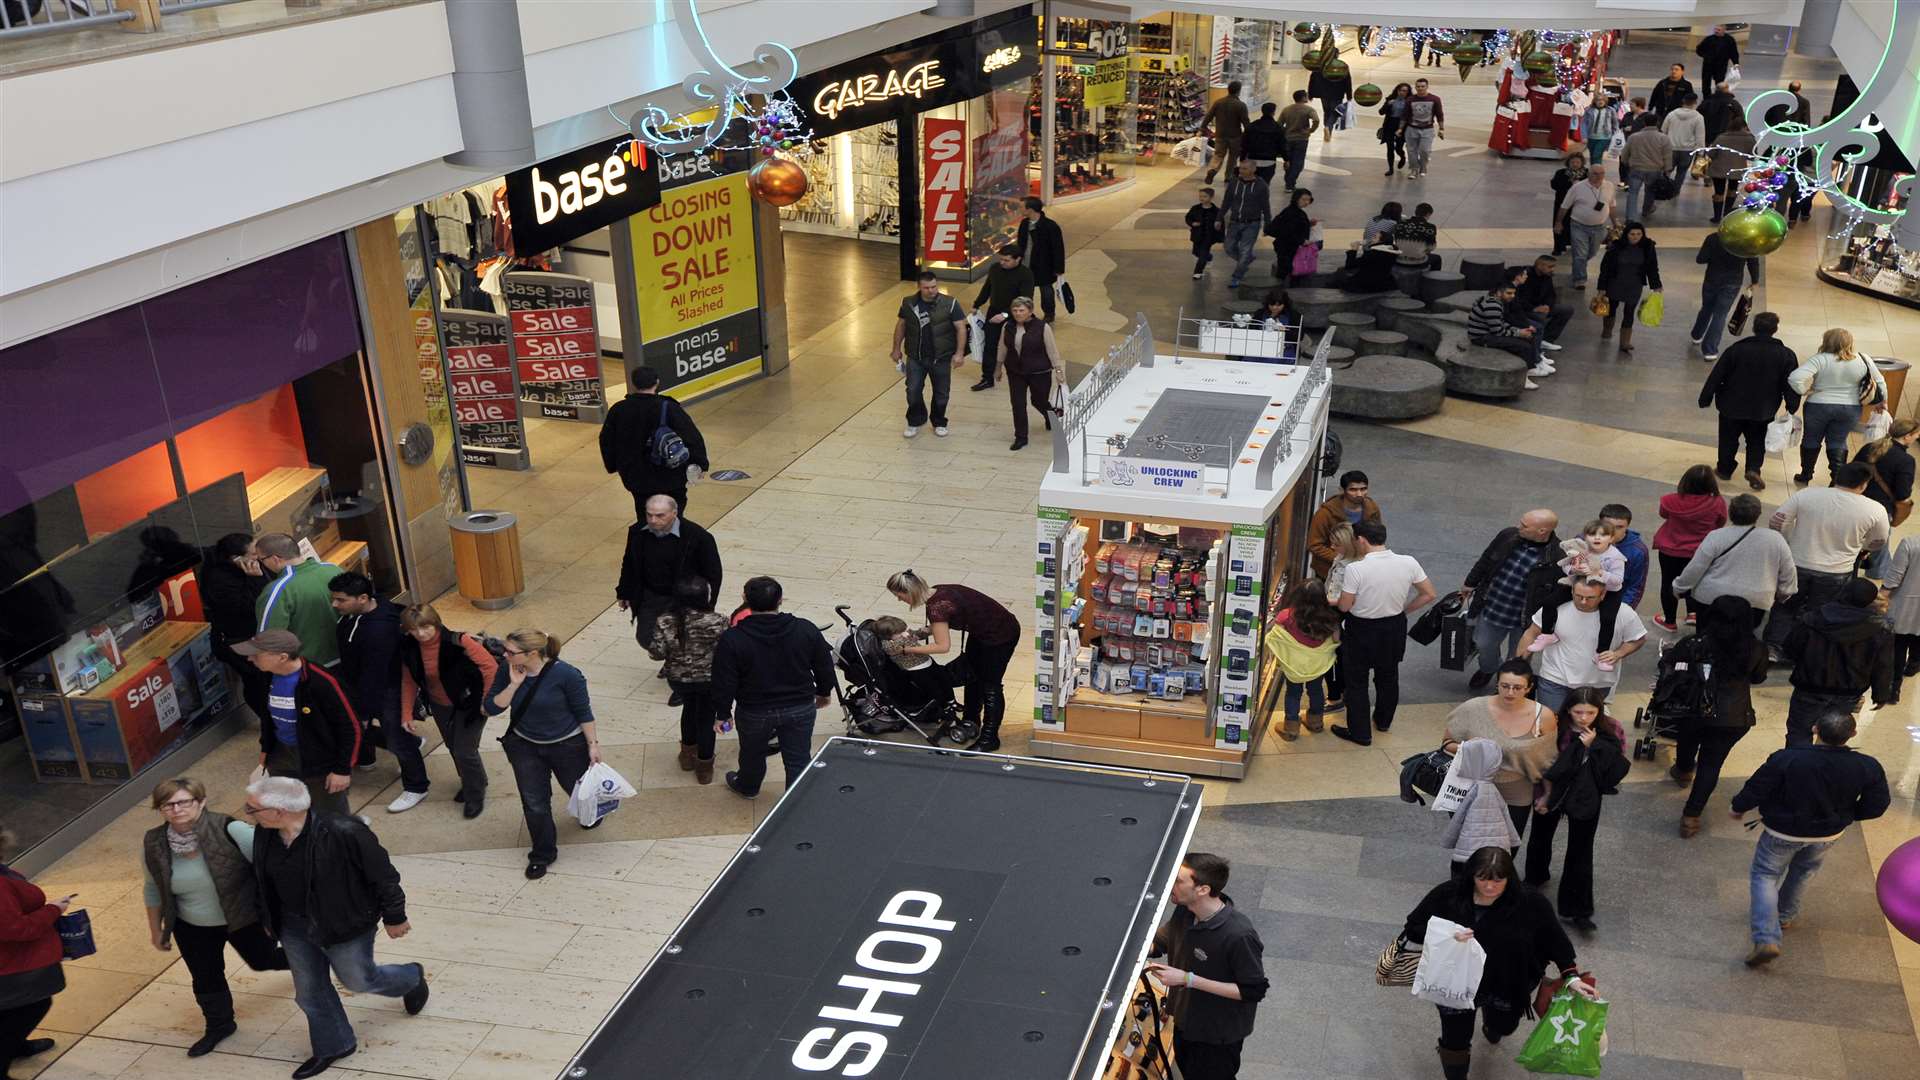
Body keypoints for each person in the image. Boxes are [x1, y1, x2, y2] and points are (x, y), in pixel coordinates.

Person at [239, 776, 427, 1078]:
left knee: (359, 981)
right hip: (292, 926)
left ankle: (411, 978)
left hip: (343, 924)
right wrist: (266, 918)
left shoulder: (345, 832)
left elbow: (384, 876)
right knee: (310, 992)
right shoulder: (266, 833)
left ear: (280, 811)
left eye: (253, 808)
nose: (248, 812)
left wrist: (395, 916)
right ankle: (334, 1045)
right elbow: (263, 879)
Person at [1402, 847, 1582, 1080]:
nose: (1489, 887)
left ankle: (1493, 1025)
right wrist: (1447, 934)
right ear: (1471, 876)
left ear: (1510, 878)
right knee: (1455, 1040)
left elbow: (1555, 940)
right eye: (1482, 879)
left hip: (1508, 983)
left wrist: (1572, 976)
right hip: (1456, 983)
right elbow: (1413, 928)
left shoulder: (1530, 903)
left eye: (1498, 881)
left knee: (1504, 1026)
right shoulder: (1448, 895)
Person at [142, 777, 288, 1057]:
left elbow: (274, 870)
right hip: (191, 924)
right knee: (205, 976)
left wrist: (276, 917)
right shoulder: (154, 842)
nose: (176, 809)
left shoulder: (232, 830)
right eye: (167, 804)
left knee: (263, 960)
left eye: (184, 801)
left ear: (201, 802)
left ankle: (313, 958)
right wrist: (155, 930)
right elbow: (152, 888)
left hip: (243, 917)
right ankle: (219, 1025)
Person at [1731, 710, 1889, 967]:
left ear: (1815, 729)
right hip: (1827, 834)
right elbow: (1877, 805)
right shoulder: (1867, 766)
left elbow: (1758, 787)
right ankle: (1785, 916)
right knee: (1803, 872)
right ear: (1852, 734)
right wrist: (1846, 815)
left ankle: (1766, 937)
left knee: (1765, 875)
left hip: (1782, 831)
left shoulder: (1788, 758)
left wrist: (1738, 807)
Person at [484, 629, 601, 879]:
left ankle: (588, 813)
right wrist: (514, 685)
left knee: (577, 789)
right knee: (534, 803)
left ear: (532, 654)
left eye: (511, 652)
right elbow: (491, 708)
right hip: (525, 745)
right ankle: (542, 854)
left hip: (567, 745)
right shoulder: (508, 670)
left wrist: (592, 744)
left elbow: (583, 711)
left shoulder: (567, 675)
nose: (505, 655)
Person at [1147, 853, 1268, 1079]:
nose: (1171, 884)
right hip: (1185, 1022)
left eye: (1178, 880)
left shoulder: (1239, 935)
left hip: (1216, 1037)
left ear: (1202, 889)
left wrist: (1187, 979)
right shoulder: (1185, 911)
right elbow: (1162, 941)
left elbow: (1253, 990)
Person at [712, 576, 836, 796]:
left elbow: (724, 680)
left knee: (752, 752)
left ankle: (748, 786)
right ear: (780, 600)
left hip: (754, 710)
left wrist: (723, 713)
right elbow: (824, 665)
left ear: (745, 599)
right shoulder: (805, 629)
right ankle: (794, 801)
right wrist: (824, 693)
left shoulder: (733, 638)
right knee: (798, 757)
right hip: (799, 706)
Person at [1522, 688, 1628, 933]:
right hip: (1551, 789)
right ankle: (1534, 879)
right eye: (1578, 711)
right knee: (1540, 838)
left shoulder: (1611, 729)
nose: (1583, 717)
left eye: (1590, 712)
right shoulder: (1554, 725)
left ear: (1599, 711)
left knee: (1581, 850)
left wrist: (1594, 747)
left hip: (1586, 794)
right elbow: (1542, 760)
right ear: (1568, 709)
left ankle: (1577, 909)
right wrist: (1545, 795)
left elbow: (1616, 766)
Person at [888, 569, 1022, 752]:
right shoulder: (939, 590)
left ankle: (990, 738)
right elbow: (957, 611)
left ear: (909, 592)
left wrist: (906, 649)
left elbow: (942, 647)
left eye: (899, 596)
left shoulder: (937, 607)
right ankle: (970, 720)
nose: (900, 600)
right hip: (988, 629)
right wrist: (927, 631)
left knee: (991, 685)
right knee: (974, 676)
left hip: (999, 637)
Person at [1331, 521, 1437, 745]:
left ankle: (1360, 733)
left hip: (1361, 629)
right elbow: (1429, 594)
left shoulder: (1356, 569)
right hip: (1393, 627)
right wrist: (1404, 610)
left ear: (1361, 540)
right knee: (1388, 676)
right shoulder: (1408, 562)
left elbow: (1344, 607)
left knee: (1357, 682)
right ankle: (1383, 721)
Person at [1765, 463, 1889, 654]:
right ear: (1864, 484)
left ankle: (1774, 647)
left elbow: (1778, 520)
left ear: (1838, 477)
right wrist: (1861, 548)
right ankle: (1805, 650)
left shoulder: (1807, 494)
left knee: (1785, 607)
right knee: (1820, 612)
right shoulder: (1874, 509)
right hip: (1837, 571)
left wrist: (1789, 541)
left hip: (1797, 563)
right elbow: (1879, 540)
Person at [1674, 595, 1772, 836]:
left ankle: (1684, 769)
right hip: (1734, 715)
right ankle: (1691, 816)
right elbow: (1758, 678)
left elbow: (1673, 668)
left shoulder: (1693, 643)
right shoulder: (1757, 648)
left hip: (1693, 709)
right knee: (1711, 764)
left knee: (1686, 742)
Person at [235, 630, 359, 817]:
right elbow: (268, 717)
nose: (250, 659)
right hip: (281, 755)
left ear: (282, 657)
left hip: (318, 761)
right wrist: (266, 749)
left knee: (331, 816)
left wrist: (342, 769)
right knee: (289, 811)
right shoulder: (267, 675)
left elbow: (351, 727)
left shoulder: (322, 682)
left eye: (256, 654)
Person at [617, 494, 724, 700]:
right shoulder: (637, 532)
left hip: (684, 599)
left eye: (660, 515)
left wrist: (707, 604)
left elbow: (713, 574)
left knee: (684, 639)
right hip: (651, 595)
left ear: (674, 514)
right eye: (649, 515)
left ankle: (680, 681)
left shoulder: (698, 537)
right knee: (646, 637)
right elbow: (629, 563)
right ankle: (673, 658)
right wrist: (624, 591)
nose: (653, 520)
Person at [397, 604, 499, 819]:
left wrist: (486, 702)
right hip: (439, 705)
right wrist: (406, 712)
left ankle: (474, 793)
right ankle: (474, 780)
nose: (421, 634)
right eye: (414, 629)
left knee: (464, 750)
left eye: (425, 627)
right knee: (454, 747)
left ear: (436, 623)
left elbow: (490, 668)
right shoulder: (409, 648)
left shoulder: (459, 641)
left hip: (469, 703)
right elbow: (408, 681)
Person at [1443, 659, 1560, 840]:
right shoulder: (1473, 708)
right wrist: (1468, 747)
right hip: (1472, 786)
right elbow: (1446, 743)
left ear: (1529, 688)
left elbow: (1549, 760)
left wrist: (1547, 794)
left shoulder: (1543, 716)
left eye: (1517, 687)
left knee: (1508, 847)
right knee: (1468, 846)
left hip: (1517, 790)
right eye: (1505, 686)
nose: (1510, 692)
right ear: (1497, 684)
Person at [1781, 577, 1895, 746]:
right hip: (1849, 692)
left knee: (1799, 731)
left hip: (1810, 687)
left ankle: (1796, 769)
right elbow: (1883, 665)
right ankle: (1828, 769)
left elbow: (1790, 649)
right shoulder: (1879, 629)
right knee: (1834, 737)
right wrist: (1881, 694)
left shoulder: (1812, 618)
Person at [1516, 577, 1649, 715]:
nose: (1583, 602)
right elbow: (1531, 634)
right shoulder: (1554, 608)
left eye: (1590, 597)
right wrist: (1518, 665)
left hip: (1597, 684)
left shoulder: (1623, 613)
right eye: (1578, 596)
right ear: (1572, 590)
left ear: (1603, 595)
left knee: (1583, 728)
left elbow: (1638, 639)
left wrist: (1618, 653)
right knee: (1549, 723)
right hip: (1554, 678)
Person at [1460, 510, 1561, 692]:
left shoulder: (1558, 556)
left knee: (1518, 658)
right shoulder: (1508, 535)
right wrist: (1470, 582)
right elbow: (1486, 558)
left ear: (1542, 531)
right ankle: (1489, 669)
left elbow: (1558, 592)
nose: (1519, 527)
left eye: (1525, 525)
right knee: (1483, 644)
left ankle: (1507, 685)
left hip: (1525, 620)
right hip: (1494, 607)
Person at [1699, 311, 1801, 489]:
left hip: (1731, 404)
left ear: (1754, 328)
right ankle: (1753, 469)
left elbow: (1717, 374)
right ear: (1775, 329)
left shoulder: (1737, 349)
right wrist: (1792, 405)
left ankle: (1724, 468)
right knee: (1756, 439)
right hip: (1763, 408)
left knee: (1728, 437)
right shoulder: (1785, 355)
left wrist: (1706, 397)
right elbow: (1790, 382)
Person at [646, 577, 728, 785]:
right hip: (710, 680)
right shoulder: (719, 620)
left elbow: (656, 653)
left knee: (689, 709)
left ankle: (686, 757)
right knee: (707, 718)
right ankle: (704, 769)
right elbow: (728, 651)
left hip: (679, 680)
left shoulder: (665, 621)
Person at [599, 365, 709, 519]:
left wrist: (612, 465)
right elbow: (691, 436)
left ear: (633, 384)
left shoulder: (619, 409)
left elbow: (606, 440)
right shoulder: (669, 407)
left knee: (643, 512)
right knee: (674, 514)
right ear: (657, 382)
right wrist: (700, 464)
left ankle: (648, 538)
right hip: (669, 475)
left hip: (636, 476)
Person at [328, 572, 409, 780]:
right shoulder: (358, 615)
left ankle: (414, 779)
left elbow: (374, 675)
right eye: (334, 598)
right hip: (364, 685)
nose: (334, 604)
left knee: (394, 734)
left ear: (363, 598)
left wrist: (364, 711)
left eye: (341, 600)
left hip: (386, 689)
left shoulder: (377, 631)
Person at [1673, 494, 1797, 627]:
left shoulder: (1716, 536)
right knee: (1743, 638)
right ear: (1758, 514)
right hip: (1756, 601)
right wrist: (1785, 592)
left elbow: (1696, 567)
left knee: (1707, 636)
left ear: (1730, 513)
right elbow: (1789, 571)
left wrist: (1679, 587)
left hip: (1711, 598)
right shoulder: (1775, 539)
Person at [0, 826, 65, 1080]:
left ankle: (15, 1045)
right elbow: (16, 928)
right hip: (11, 965)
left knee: (9, 1011)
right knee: (32, 1005)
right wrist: (53, 910)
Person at [1787, 328, 1888, 484]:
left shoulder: (1820, 359)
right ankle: (1838, 478)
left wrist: (1804, 391)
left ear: (1826, 341)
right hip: (1850, 408)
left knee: (1811, 439)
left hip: (1818, 406)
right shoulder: (1863, 359)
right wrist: (1883, 401)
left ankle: (1806, 475)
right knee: (1838, 441)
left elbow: (1795, 378)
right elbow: (1880, 381)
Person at [201, 532, 271, 726]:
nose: (258, 556)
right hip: (236, 640)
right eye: (253, 553)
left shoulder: (247, 567)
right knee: (257, 680)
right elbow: (252, 607)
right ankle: (267, 720)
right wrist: (256, 579)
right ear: (236, 558)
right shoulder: (220, 581)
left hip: (252, 635)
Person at [1651, 465, 1729, 630]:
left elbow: (1664, 514)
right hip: (1701, 551)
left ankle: (1669, 621)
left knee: (1668, 583)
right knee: (1696, 581)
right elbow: (1721, 522)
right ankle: (1693, 613)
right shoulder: (1717, 503)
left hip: (1670, 549)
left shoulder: (1668, 500)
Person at [890, 270, 966, 439]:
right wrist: (896, 348)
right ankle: (915, 419)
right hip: (915, 356)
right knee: (913, 390)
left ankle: (939, 421)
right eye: (927, 288)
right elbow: (901, 325)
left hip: (941, 357)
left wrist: (959, 353)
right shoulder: (908, 303)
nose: (932, 291)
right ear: (919, 287)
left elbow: (961, 327)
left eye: (934, 286)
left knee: (941, 392)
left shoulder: (950, 303)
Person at [251, 533, 341, 669]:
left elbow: (268, 642)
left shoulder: (277, 591)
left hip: (310, 670)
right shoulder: (333, 569)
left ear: (275, 559)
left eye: (261, 560)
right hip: (348, 658)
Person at [1266, 578, 1339, 740]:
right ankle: (1316, 722)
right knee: (1316, 690)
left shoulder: (1287, 615)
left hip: (1295, 666)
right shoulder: (1330, 617)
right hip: (1317, 665)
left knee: (1293, 693)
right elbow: (1336, 639)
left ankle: (1291, 728)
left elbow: (1276, 633)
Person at [995, 296, 1065, 452]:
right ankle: (1021, 437)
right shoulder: (1007, 326)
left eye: (1021, 310)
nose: (1018, 313)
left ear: (1030, 311)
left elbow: (1052, 350)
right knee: (1018, 403)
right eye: (1015, 310)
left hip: (1039, 371)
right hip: (1016, 371)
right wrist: (998, 368)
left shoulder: (1042, 327)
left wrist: (1058, 370)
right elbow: (1002, 348)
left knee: (1039, 400)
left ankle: (1050, 417)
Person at [1852, 417, 1918, 577]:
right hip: (1880, 510)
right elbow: (1903, 493)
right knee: (1879, 544)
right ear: (1907, 436)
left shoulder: (1869, 447)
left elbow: (1852, 471)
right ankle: (1878, 576)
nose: (1917, 437)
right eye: (1916, 434)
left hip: (1856, 503)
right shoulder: (1906, 460)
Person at [1440, 739, 1522, 868]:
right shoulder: (1493, 790)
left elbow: (1459, 817)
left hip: (1469, 846)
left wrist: (1448, 840)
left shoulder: (1474, 790)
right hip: (1498, 845)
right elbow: (1505, 814)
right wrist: (1514, 840)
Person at [969, 245, 1035, 392]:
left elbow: (1025, 299)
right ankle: (987, 378)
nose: (1002, 263)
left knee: (1015, 346)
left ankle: (1020, 375)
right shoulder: (995, 269)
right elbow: (987, 288)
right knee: (990, 345)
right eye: (1001, 259)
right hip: (994, 312)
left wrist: (1006, 314)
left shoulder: (1026, 274)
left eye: (1007, 260)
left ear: (1018, 259)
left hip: (1016, 315)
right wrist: (977, 304)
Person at [1691, 229, 1761, 363]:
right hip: (1732, 282)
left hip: (1711, 278)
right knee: (1720, 315)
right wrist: (1755, 280)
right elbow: (1753, 262)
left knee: (1706, 308)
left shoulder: (1713, 238)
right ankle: (1710, 350)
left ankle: (1696, 335)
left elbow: (1700, 259)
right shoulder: (1747, 241)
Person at [1595, 222, 1661, 354]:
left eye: (1639, 234)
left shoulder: (1648, 247)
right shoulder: (1616, 247)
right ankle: (1607, 330)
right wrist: (1601, 287)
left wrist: (1656, 285)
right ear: (1626, 234)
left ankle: (1625, 342)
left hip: (1634, 284)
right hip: (1615, 283)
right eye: (1632, 234)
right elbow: (1605, 269)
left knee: (1629, 311)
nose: (1636, 237)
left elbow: (1652, 267)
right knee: (1611, 308)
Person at [1468, 281, 1548, 384]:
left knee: (1528, 337)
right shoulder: (1493, 305)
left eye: (1513, 293)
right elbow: (1498, 331)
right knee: (1523, 346)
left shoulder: (1495, 301)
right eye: (1509, 293)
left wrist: (1519, 331)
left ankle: (1533, 366)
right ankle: (1524, 378)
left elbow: (1501, 323)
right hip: (1481, 338)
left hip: (1488, 333)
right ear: (1498, 293)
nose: (1512, 296)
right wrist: (1519, 333)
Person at [1306, 470, 1381, 577]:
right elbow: (1315, 545)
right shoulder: (1325, 514)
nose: (1359, 494)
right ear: (1342, 490)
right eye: (1353, 490)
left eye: (1363, 489)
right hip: (1330, 570)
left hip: (1363, 567)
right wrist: (1343, 558)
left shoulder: (1372, 508)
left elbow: (1377, 536)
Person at [1557, 162, 1616, 290]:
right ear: (1589, 174)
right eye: (1595, 173)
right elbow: (1564, 206)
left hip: (1599, 227)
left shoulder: (1609, 186)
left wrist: (1615, 222)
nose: (1599, 176)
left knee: (1591, 252)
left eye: (1602, 173)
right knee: (1580, 254)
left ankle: (1578, 265)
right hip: (1579, 226)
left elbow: (1611, 205)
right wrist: (1558, 222)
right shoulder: (1578, 187)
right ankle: (1580, 280)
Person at [1220, 161, 1271, 289]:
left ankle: (1237, 276)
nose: (1241, 171)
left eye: (1245, 169)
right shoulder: (1234, 183)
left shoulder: (1261, 186)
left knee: (1245, 250)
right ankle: (1246, 260)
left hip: (1252, 223)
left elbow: (1266, 206)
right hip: (1235, 221)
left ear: (1253, 170)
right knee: (1228, 247)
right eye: (1241, 168)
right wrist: (1219, 217)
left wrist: (1268, 224)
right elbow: (1227, 201)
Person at [1015, 197, 1066, 322]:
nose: (1019, 209)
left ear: (1030, 209)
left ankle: (1049, 313)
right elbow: (1020, 243)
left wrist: (1059, 268)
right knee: (1026, 291)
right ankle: (1026, 313)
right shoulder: (1024, 224)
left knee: (1046, 290)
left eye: (1022, 207)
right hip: (1026, 264)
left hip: (1044, 265)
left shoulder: (1050, 226)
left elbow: (1058, 249)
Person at [1881, 536, 1920, 693]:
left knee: (1898, 646)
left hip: (1904, 605)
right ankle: (1913, 665)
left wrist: (1881, 596)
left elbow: (1894, 577)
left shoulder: (1910, 543)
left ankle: (1893, 688)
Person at [1512, 253, 1573, 353]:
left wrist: (1548, 305)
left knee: (1567, 310)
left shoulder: (1547, 275)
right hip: (1525, 308)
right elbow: (1518, 298)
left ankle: (1546, 339)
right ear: (1540, 266)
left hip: (1541, 306)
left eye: (1553, 267)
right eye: (1550, 267)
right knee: (1540, 317)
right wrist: (1533, 308)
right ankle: (1535, 342)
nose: (1552, 269)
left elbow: (1551, 294)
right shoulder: (1524, 277)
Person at [1703, 111, 1755, 222]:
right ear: (1744, 126)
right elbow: (1752, 156)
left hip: (1719, 169)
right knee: (1732, 190)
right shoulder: (1749, 139)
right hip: (1737, 169)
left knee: (1718, 192)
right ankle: (1727, 214)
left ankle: (1717, 217)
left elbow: (1711, 154)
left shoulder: (1722, 137)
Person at [1621, 116, 1674, 221]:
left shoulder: (1634, 137)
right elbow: (1667, 156)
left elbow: (1625, 153)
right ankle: (1646, 210)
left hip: (1636, 168)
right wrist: (1667, 170)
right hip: (1655, 170)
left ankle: (1631, 217)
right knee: (1650, 191)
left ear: (1644, 123)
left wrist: (1626, 162)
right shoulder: (1663, 138)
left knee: (1633, 193)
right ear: (1657, 123)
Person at [1598, 503, 1649, 609]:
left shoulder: (1637, 551)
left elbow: (1636, 586)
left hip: (1615, 601)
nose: (1613, 531)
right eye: (1608, 525)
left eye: (1619, 527)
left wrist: (1624, 610)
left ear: (1627, 527)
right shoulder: (1584, 540)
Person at [1200, 80, 1250, 184]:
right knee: (1233, 157)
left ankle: (1212, 170)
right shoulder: (1241, 105)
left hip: (1220, 134)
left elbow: (1208, 116)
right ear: (1239, 91)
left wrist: (1202, 128)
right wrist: (1248, 135)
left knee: (1218, 155)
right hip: (1235, 136)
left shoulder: (1218, 102)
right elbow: (1245, 122)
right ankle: (1228, 176)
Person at [1265, 186, 1313, 286]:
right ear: (1296, 199)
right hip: (1287, 247)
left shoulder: (1294, 211)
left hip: (1286, 246)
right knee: (1287, 271)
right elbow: (1288, 231)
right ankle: (1282, 293)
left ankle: (1281, 291)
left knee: (1285, 270)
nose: (1306, 202)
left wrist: (1309, 223)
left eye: (1308, 200)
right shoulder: (1292, 213)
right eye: (1304, 199)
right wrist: (1302, 241)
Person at [1276, 90, 1319, 191]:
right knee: (1298, 162)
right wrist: (1310, 130)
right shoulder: (1308, 109)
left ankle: (1288, 181)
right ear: (1303, 98)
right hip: (1301, 139)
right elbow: (1316, 120)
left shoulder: (1286, 109)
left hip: (1288, 138)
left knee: (1288, 160)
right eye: (1306, 96)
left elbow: (1279, 124)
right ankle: (1290, 184)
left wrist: (1284, 132)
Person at [1402, 77, 1444, 178]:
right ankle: (1413, 169)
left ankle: (1423, 165)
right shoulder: (1410, 100)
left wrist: (1441, 128)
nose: (1420, 88)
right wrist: (1400, 128)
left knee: (1425, 150)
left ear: (1427, 87)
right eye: (1418, 86)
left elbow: (1439, 114)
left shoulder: (1435, 99)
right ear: (1415, 87)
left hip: (1427, 129)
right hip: (1411, 129)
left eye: (1422, 86)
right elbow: (1405, 115)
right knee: (1411, 151)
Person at [1658, 93, 1705, 178]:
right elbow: (1700, 137)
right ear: (1695, 103)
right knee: (1681, 173)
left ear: (1683, 101)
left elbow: (1663, 131)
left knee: (1666, 171)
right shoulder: (1698, 117)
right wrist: (1700, 152)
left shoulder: (1671, 114)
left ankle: (1663, 188)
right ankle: (1676, 190)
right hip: (1688, 150)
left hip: (1671, 148)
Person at [1549, 153, 1588, 254]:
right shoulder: (1561, 173)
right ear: (1568, 163)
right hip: (1563, 203)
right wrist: (1570, 184)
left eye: (1577, 162)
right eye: (1573, 162)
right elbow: (1554, 185)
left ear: (1582, 163)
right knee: (1560, 224)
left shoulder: (1587, 174)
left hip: (1579, 204)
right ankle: (1558, 247)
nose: (1575, 164)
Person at [1239, 102, 1283, 184]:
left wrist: (1242, 158)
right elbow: (1282, 144)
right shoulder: (1277, 127)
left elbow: (1244, 143)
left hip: (1253, 159)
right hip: (1269, 161)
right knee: (1265, 184)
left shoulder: (1252, 126)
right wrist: (1286, 158)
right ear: (1273, 112)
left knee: (1251, 182)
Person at [1309, 62, 1351, 145]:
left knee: (1327, 112)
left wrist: (1311, 94)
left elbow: (1312, 79)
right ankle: (1328, 127)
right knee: (1335, 113)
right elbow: (1348, 81)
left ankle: (1327, 129)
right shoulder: (1342, 66)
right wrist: (1349, 94)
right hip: (1337, 93)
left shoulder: (1320, 65)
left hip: (1323, 93)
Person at [1186, 186, 1223, 279]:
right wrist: (1192, 223)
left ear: (1211, 197)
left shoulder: (1216, 211)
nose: (1202, 198)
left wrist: (1220, 235)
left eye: (1205, 196)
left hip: (1209, 236)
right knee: (1196, 252)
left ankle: (1198, 272)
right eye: (1200, 196)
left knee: (1202, 254)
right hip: (1197, 235)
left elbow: (1221, 224)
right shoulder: (1195, 208)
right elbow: (1188, 217)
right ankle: (1209, 257)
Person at [1392, 202, 1440, 271]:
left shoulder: (1400, 223)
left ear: (1416, 212)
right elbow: (1431, 247)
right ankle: (1430, 280)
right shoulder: (1430, 227)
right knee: (1437, 259)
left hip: (1398, 259)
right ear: (1428, 214)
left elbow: (1396, 241)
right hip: (1418, 262)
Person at [1701, 82, 1743, 159]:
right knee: (1724, 157)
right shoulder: (1733, 103)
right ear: (1727, 89)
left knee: (1708, 157)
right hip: (1727, 136)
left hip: (1708, 136)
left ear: (1716, 90)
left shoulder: (1707, 102)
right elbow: (1740, 119)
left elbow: (1699, 116)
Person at [1379, 82, 1412, 176]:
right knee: (1390, 147)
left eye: (1405, 91)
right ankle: (1390, 169)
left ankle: (1402, 157)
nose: (1402, 92)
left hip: (1402, 126)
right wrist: (1388, 105)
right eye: (1401, 90)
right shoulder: (1390, 99)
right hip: (1390, 124)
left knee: (1398, 147)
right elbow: (1381, 112)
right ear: (1397, 91)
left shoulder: (1409, 101)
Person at [1696, 25, 1740, 91]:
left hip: (1721, 65)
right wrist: (1705, 56)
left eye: (1719, 30)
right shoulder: (1709, 39)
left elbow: (1733, 52)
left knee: (1719, 82)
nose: (1716, 31)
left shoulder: (1729, 40)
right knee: (1706, 81)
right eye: (1715, 29)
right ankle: (1706, 97)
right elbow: (1699, 49)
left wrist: (1736, 63)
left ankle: (1718, 95)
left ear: (1724, 30)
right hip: (1708, 64)